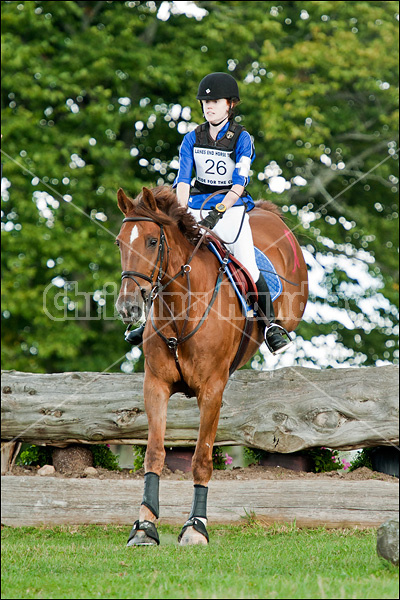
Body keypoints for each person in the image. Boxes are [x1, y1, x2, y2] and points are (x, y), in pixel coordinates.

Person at [126, 72, 290, 354]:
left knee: (247, 265)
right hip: (195, 208)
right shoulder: (192, 138)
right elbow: (183, 181)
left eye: (215, 101)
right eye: (205, 102)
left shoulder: (242, 139)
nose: (209, 106)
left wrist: (220, 210)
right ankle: (149, 320)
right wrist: (181, 212)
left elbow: (240, 184)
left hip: (232, 207)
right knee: (168, 259)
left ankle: (271, 325)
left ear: (230, 104)